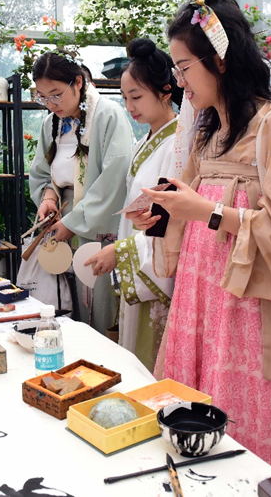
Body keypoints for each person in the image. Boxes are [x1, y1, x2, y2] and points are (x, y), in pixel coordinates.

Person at [129, 0, 271, 479]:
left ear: (219, 59)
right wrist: (162, 215)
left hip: (249, 314)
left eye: (184, 67)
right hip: (199, 305)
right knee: (188, 430)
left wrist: (208, 212)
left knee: (242, 446)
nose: (179, 81)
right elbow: (191, 207)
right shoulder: (208, 133)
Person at [83, 38, 181, 371]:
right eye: (124, 97)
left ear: (165, 90)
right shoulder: (145, 142)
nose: (129, 106)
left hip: (155, 265)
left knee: (153, 360)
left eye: (136, 96)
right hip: (139, 258)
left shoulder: (178, 146)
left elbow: (171, 223)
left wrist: (121, 251)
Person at [28, 52, 134, 334]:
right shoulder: (51, 124)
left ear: (77, 82)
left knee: (98, 308)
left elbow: (115, 177)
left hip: (95, 223)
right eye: (43, 97)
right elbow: (41, 172)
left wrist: (73, 223)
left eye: (56, 94)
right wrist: (48, 197)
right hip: (62, 219)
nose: (51, 104)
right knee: (62, 303)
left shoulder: (108, 115)